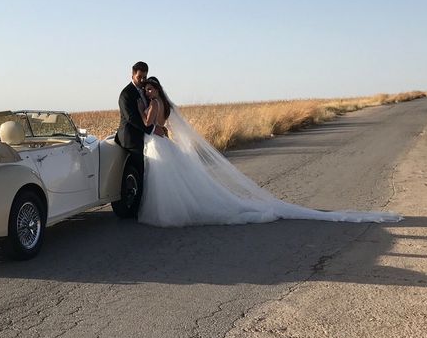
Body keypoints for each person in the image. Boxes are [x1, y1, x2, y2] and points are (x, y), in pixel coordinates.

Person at [136, 76, 401, 227]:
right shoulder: (165, 103)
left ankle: (171, 215)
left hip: (158, 142)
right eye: (146, 88)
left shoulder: (154, 103)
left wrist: (140, 109)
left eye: (150, 88)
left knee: (167, 183)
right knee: (176, 182)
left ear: (157, 90)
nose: (148, 91)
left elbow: (148, 122)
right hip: (163, 141)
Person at [116, 62, 166, 216]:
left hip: (145, 136)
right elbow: (131, 118)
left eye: (145, 77)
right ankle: (136, 210)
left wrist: (155, 127)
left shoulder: (145, 91)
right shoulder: (126, 94)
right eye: (140, 77)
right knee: (141, 171)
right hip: (131, 138)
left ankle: (141, 207)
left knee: (146, 171)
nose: (143, 80)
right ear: (132, 75)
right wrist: (152, 129)